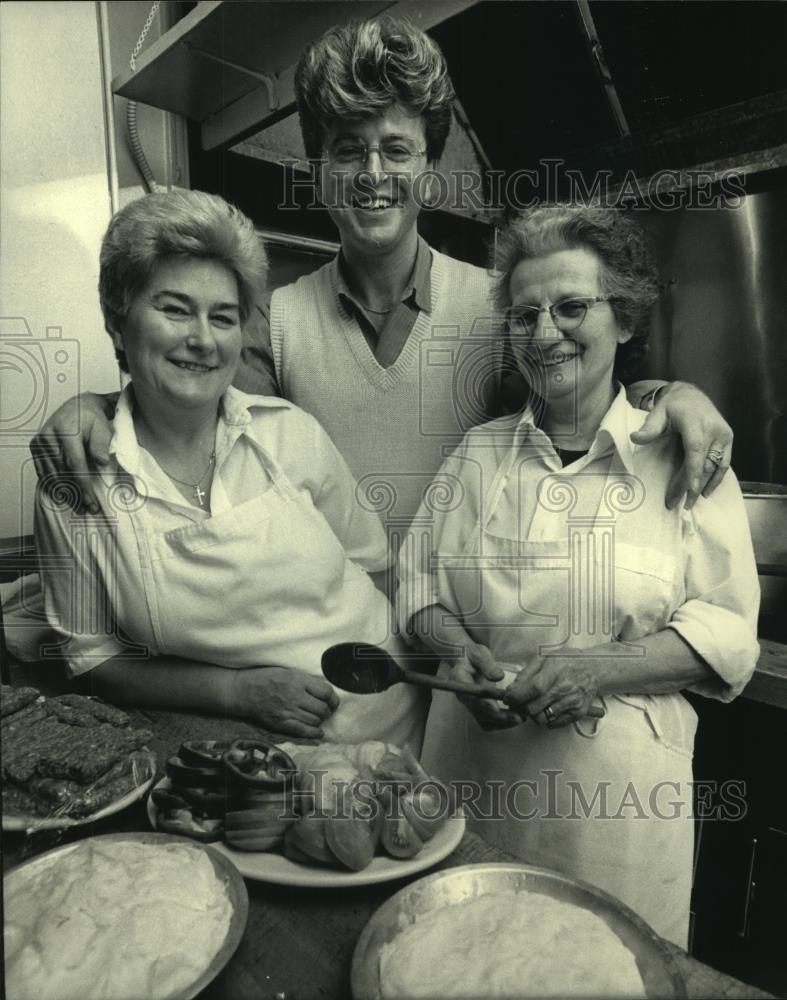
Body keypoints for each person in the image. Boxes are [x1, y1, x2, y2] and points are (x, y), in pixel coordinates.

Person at [32, 17, 732, 526]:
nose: (372, 175)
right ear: (316, 171)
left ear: (427, 168)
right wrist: (93, 407)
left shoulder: (497, 311)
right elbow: (191, 429)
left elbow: (580, 397)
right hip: (331, 648)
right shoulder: (269, 323)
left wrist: (667, 393)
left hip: (469, 639)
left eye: (395, 150)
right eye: (347, 150)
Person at [397, 205, 760, 946]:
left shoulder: (685, 457)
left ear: (623, 321)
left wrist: (594, 667)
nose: (543, 333)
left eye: (570, 308)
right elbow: (415, 586)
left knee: (598, 965)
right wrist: (454, 648)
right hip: (472, 787)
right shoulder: (478, 453)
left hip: (612, 821)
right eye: (525, 314)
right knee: (452, 961)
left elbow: (726, 634)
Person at [33, 189, 422, 749]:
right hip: (259, 762)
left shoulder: (289, 432)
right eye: (174, 308)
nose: (202, 339)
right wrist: (238, 693)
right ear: (118, 323)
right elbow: (92, 662)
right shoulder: (75, 479)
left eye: (223, 317)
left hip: (403, 728)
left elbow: (379, 571)